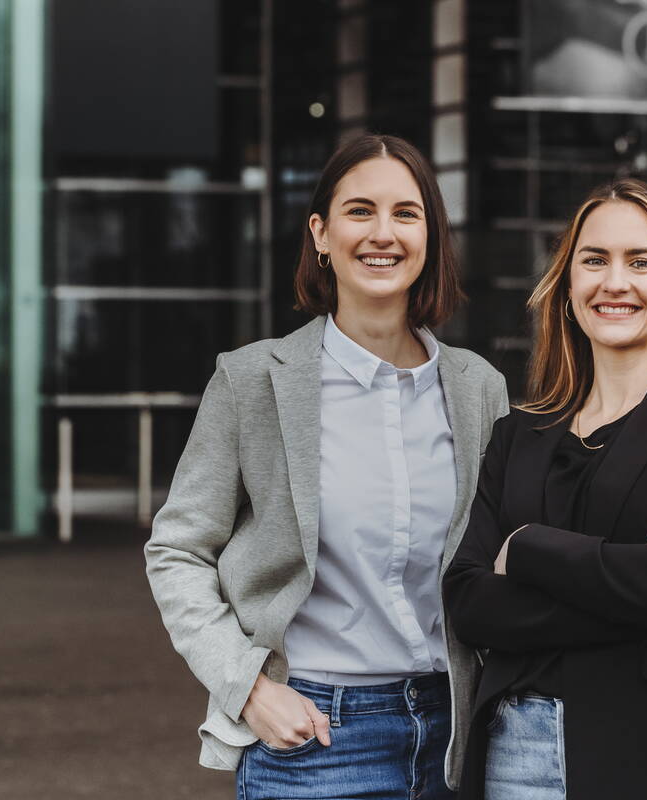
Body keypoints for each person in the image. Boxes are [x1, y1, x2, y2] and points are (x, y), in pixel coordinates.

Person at [145, 134, 508, 800]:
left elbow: (508, 550)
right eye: (360, 210)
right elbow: (177, 551)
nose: (383, 233)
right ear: (320, 232)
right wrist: (248, 687)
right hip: (315, 739)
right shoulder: (252, 381)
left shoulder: (479, 388)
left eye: (406, 213)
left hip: (455, 739)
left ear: (430, 235)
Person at [443, 178, 647, 800]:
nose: (614, 282)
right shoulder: (518, 434)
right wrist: (640, 567)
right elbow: (468, 602)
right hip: (516, 753)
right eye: (593, 260)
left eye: (641, 262)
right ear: (567, 286)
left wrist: (528, 549)